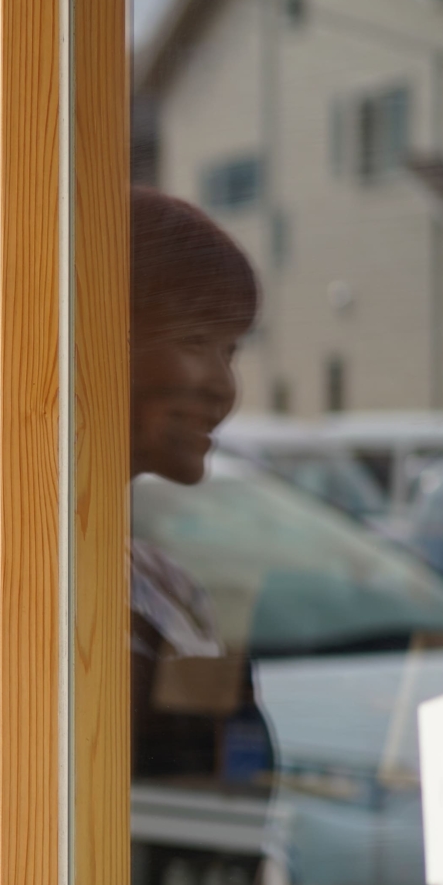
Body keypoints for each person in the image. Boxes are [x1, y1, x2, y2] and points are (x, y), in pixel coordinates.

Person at [128, 185, 265, 783]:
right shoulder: (11, 574)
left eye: (229, 350)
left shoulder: (167, 585)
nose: (222, 386)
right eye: (193, 343)